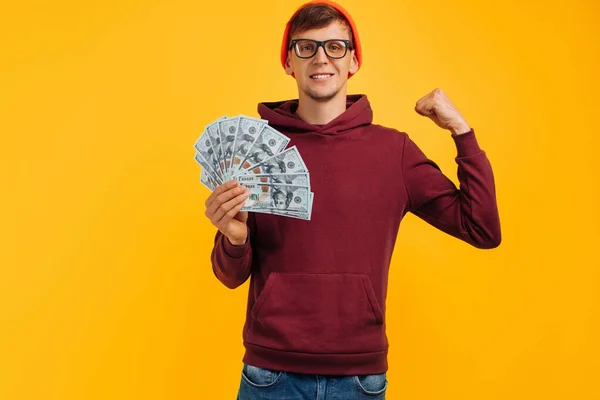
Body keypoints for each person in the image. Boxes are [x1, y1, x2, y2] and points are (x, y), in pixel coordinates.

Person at [202, 1, 501, 398]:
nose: (321, 58)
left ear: (354, 60)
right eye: (305, 47)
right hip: (269, 374)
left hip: (359, 377)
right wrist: (233, 239)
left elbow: (481, 228)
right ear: (289, 62)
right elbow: (229, 277)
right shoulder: (260, 150)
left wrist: (462, 132)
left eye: (335, 47)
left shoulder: (393, 151)